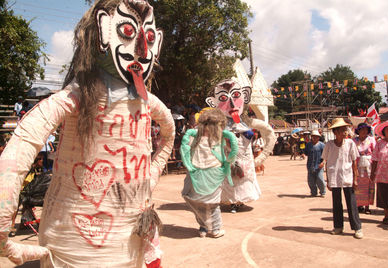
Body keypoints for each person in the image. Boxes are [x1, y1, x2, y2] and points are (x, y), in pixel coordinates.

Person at [0, 1, 174, 267]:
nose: (141, 48)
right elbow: (19, 150)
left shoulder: (146, 101)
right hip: (72, 242)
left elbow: (169, 132)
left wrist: (150, 175)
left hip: (129, 241)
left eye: (149, 38)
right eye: (126, 31)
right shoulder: (78, 96)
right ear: (101, 32)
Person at [206, 79, 276, 213]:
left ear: (245, 96)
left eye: (236, 96)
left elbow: (270, 133)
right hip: (227, 161)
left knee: (242, 181)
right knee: (229, 181)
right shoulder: (217, 126)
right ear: (213, 103)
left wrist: (261, 158)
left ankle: (238, 202)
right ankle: (232, 202)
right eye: (223, 98)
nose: (231, 103)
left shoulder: (248, 123)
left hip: (245, 160)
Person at [180, 109, 238, 238]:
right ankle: (213, 228)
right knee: (210, 204)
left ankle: (204, 228)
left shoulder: (196, 136)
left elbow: (186, 150)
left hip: (198, 173)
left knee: (201, 203)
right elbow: (232, 149)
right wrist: (228, 162)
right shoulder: (217, 137)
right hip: (208, 173)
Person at [321, 118, 363, 239]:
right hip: (334, 177)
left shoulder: (350, 143)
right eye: (341, 130)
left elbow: (354, 161)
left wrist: (355, 178)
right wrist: (328, 180)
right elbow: (327, 161)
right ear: (335, 132)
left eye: (345, 130)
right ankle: (338, 227)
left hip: (348, 177)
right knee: (336, 203)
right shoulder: (329, 145)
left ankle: (357, 228)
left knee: (351, 203)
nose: (344, 132)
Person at [370, 120, 388, 224]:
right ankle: (386, 215)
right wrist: (372, 173)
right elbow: (374, 159)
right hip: (382, 175)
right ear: (384, 131)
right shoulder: (379, 143)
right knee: (384, 195)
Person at [353, 123, 376, 214]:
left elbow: (375, 153)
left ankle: (367, 206)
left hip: (369, 167)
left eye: (366, 130)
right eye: (362, 130)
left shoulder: (371, 140)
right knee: (358, 186)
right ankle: (359, 205)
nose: (363, 131)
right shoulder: (354, 141)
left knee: (369, 185)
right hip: (357, 166)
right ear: (358, 131)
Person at [304, 130, 326, 197]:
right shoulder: (308, 145)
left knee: (320, 179)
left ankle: (322, 192)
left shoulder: (322, 145)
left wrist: (323, 162)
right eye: (313, 137)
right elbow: (306, 153)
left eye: (316, 137)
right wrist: (302, 154)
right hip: (310, 165)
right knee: (311, 181)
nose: (314, 138)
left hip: (319, 165)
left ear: (318, 138)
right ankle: (313, 192)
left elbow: (325, 155)